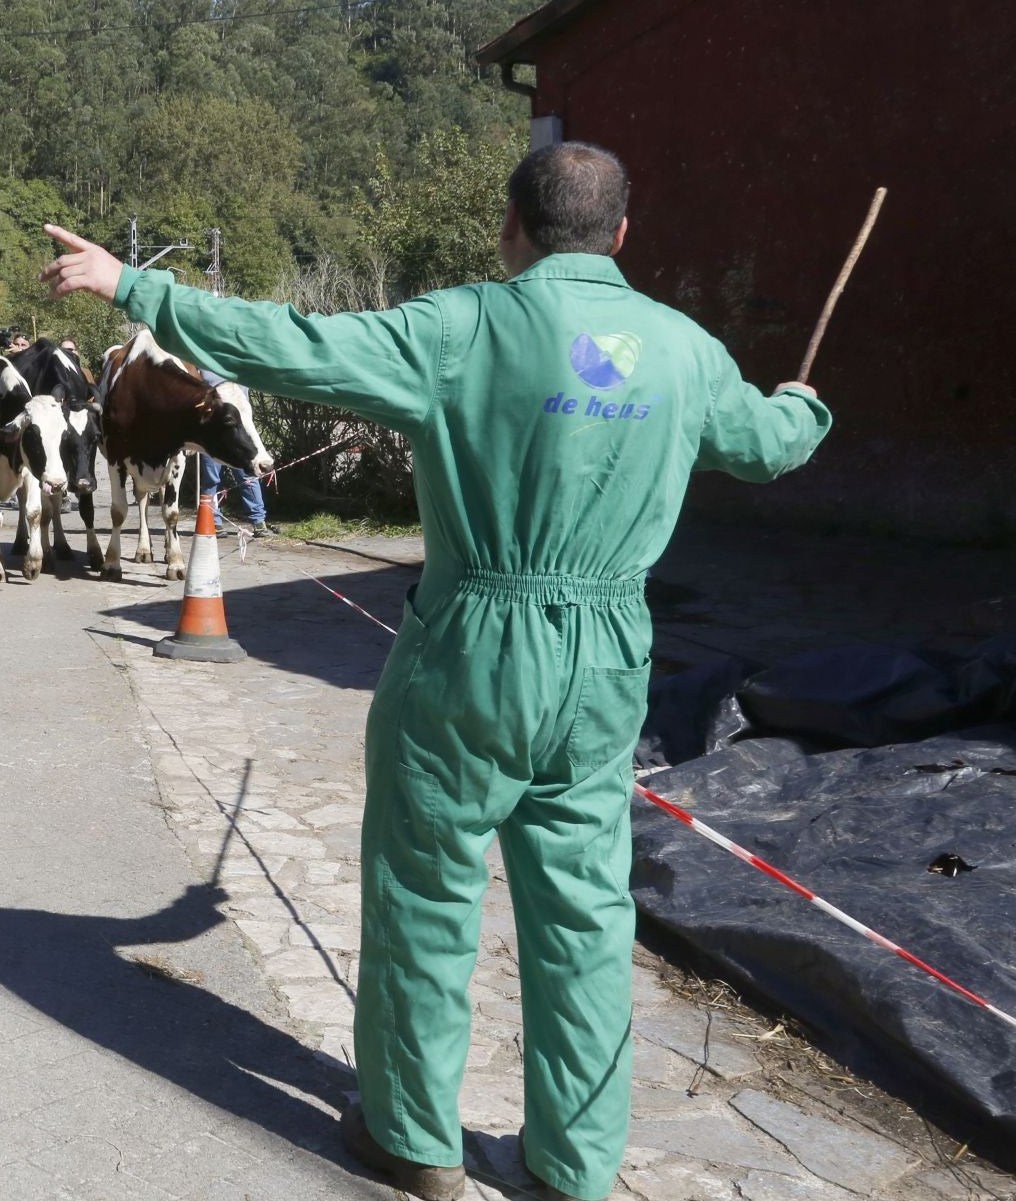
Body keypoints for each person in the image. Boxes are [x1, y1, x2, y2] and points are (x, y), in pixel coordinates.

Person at [41, 142, 829, 1201]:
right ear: (623, 236)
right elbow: (768, 443)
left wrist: (138, 285)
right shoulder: (684, 349)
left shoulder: (463, 327)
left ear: (511, 227)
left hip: (472, 640)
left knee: (424, 888)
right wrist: (805, 403)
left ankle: (414, 1137)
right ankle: (575, 1164)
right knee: (589, 910)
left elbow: (293, 344)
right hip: (605, 663)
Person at [197, 368, 275, 537]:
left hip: (240, 433)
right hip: (214, 433)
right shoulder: (201, 365)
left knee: (248, 473)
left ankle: (258, 521)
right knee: (212, 477)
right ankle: (212, 521)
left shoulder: (236, 364)